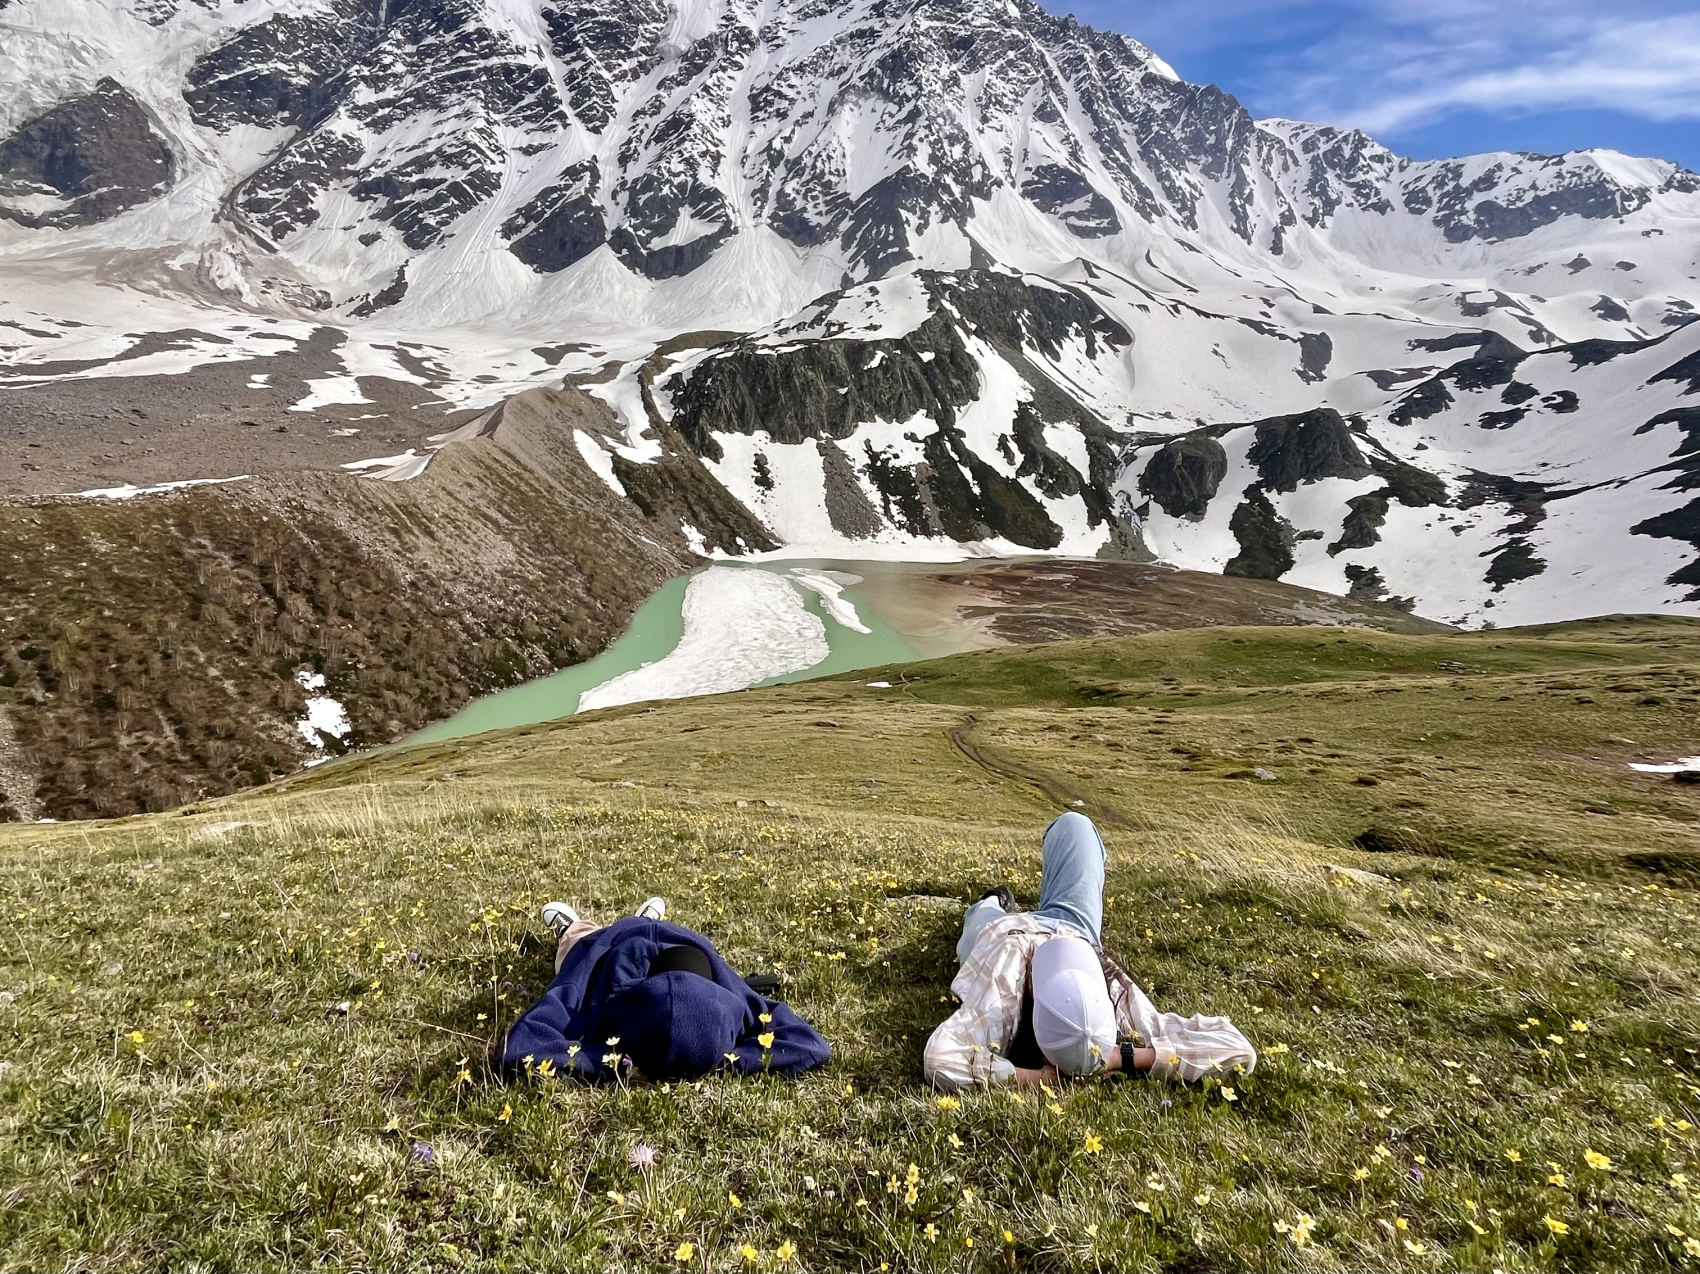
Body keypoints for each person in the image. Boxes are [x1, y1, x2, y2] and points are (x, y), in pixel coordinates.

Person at [924, 812, 1256, 1090]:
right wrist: (1125, 1058)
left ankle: (994, 901)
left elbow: (941, 1059)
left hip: (1001, 937)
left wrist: (1035, 1079)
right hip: (1074, 929)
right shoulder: (1118, 1004)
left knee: (980, 919)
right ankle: (1003, 903)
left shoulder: (1002, 995)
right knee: (1075, 824)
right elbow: (1238, 1050)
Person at [503, 895, 830, 1082]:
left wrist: (621, 1062)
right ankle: (573, 928)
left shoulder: (733, 999)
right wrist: (717, 1060)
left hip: (682, 941)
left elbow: (523, 1046)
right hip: (607, 945)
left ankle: (646, 920)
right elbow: (810, 1045)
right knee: (576, 944)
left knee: (645, 930)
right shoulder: (591, 989)